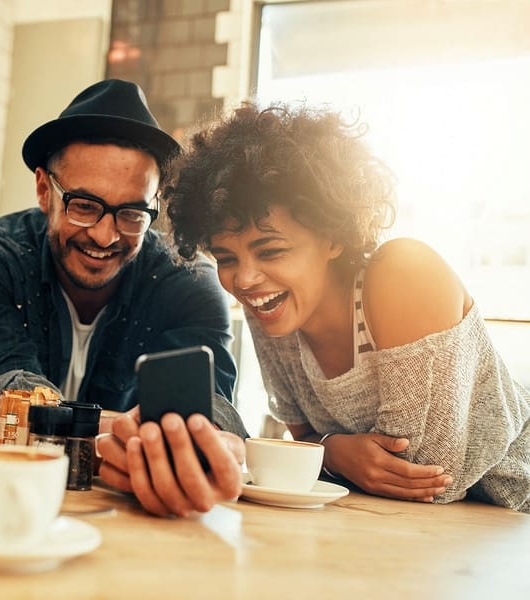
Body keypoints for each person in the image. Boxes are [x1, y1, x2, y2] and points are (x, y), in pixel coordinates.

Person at [166, 101, 530, 512]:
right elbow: (305, 448)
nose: (244, 279)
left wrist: (329, 454)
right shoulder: (272, 307)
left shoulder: (404, 272)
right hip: (425, 533)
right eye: (226, 258)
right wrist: (334, 452)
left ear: (334, 237)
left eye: (270, 250)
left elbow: (429, 479)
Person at [0, 79, 248, 517]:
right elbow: (7, 395)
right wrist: (125, 434)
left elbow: (213, 409)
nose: (105, 236)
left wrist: (208, 442)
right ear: (43, 189)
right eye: (85, 206)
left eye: (131, 214)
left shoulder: (189, 281)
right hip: (3, 501)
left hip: (131, 512)